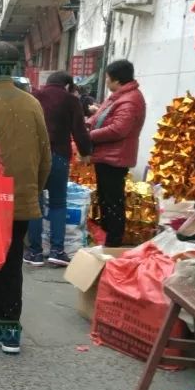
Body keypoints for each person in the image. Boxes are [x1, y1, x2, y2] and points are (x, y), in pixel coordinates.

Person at [0, 42, 50, 354]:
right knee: (10, 265)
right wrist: (32, 191)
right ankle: (8, 331)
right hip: (16, 200)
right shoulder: (31, 103)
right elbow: (45, 155)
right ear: (15, 67)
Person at [27, 71, 92, 267]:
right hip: (58, 156)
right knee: (57, 203)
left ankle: (35, 252)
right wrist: (86, 151)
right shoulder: (70, 100)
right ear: (67, 85)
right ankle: (57, 250)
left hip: (35, 156)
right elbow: (79, 130)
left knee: (35, 204)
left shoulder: (34, 96)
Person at [88, 59, 147, 247]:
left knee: (113, 201)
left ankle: (113, 242)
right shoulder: (118, 97)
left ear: (116, 80)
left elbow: (118, 129)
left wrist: (89, 136)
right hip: (107, 156)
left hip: (115, 158)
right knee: (106, 199)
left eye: (107, 78)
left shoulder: (130, 99)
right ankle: (107, 238)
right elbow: (101, 118)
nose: (106, 81)